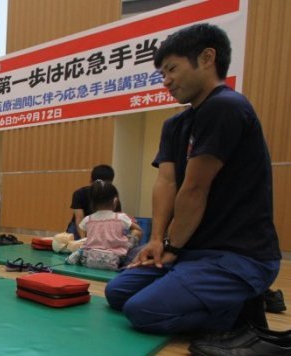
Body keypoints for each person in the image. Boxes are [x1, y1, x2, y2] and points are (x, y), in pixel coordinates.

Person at [104, 23, 281, 336]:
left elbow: (195, 189)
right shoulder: (175, 124)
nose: (166, 81)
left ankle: (240, 312)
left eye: (172, 69)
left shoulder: (226, 107)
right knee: (117, 293)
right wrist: (157, 241)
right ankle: (214, 296)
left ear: (207, 58)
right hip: (191, 253)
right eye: (162, 74)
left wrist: (172, 245)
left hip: (238, 256)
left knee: (141, 311)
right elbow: (167, 183)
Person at [66, 180, 142, 270]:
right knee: (137, 239)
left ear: (92, 202)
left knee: (87, 244)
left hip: (90, 259)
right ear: (115, 201)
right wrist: (129, 239)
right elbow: (138, 230)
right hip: (115, 259)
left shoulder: (88, 219)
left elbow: (81, 228)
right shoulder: (120, 217)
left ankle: (80, 252)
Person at [66, 164, 122, 239]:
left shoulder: (112, 194)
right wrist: (83, 240)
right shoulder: (80, 193)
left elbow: (117, 216)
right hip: (82, 225)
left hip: (103, 225)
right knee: (73, 234)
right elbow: (79, 218)